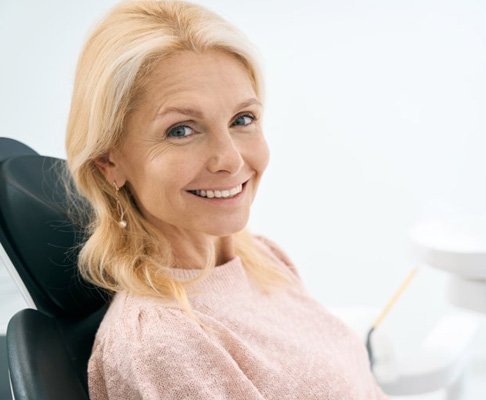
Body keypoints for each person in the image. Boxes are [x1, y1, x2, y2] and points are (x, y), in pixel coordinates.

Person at [65, 1, 388, 399]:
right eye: (181, 130)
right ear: (109, 161)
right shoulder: (163, 344)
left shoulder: (262, 259)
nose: (231, 160)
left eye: (242, 120)